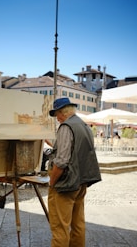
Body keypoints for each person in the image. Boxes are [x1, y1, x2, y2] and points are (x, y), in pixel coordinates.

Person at [48, 97, 101, 247]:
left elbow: (62, 161)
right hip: (81, 181)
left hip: (66, 184)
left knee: (60, 228)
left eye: (57, 115)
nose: (57, 119)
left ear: (62, 112)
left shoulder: (66, 127)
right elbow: (76, 149)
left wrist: (52, 183)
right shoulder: (83, 126)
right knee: (78, 224)